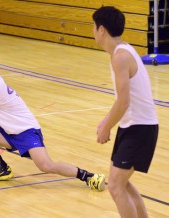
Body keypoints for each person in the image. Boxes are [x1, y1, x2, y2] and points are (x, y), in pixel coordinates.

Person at [0, 52, 105, 191]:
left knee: (45, 165)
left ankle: (88, 176)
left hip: (27, 131)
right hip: (8, 131)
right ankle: (2, 169)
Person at [92, 6, 159, 218]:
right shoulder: (122, 50)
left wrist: (105, 126)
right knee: (120, 183)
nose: (92, 31)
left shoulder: (120, 56)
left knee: (116, 187)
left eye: (93, 27)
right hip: (132, 126)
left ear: (101, 29)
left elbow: (123, 101)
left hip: (140, 128)